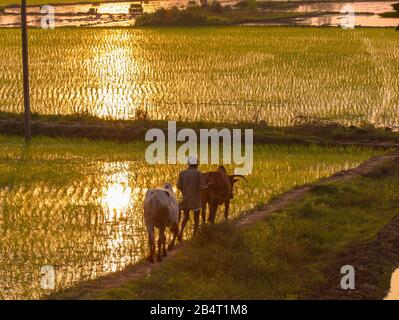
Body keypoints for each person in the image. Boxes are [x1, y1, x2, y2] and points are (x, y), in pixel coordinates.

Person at [176, 155, 205, 242]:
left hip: (186, 199)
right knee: (196, 218)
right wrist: (207, 186)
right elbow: (201, 187)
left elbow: (178, 186)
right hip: (196, 200)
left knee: (186, 217)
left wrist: (184, 191)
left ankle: (180, 232)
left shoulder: (182, 173)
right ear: (196, 164)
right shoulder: (198, 173)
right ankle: (194, 236)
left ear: (189, 163)